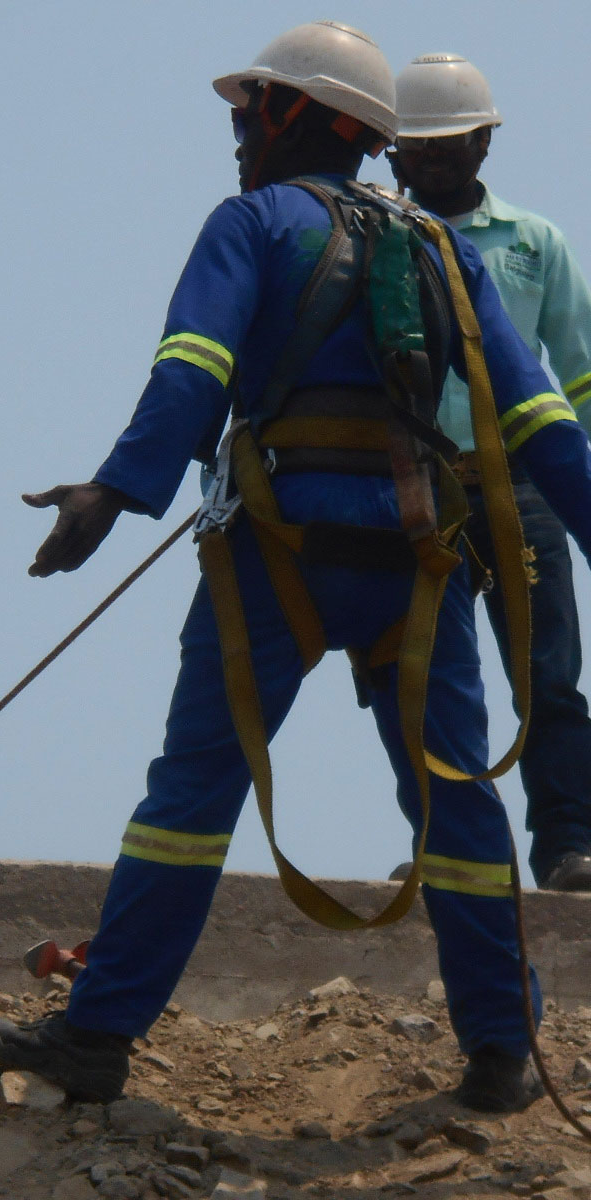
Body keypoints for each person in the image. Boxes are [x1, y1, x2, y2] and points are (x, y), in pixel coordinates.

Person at [0, 20, 591, 1114]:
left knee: (191, 796)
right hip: (415, 560)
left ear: (301, 115)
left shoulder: (252, 225)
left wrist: (114, 491)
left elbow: (193, 366)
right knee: (454, 808)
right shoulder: (444, 252)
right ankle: (501, 1052)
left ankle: (100, 1034)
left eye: (249, 109)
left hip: (275, 555)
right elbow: (541, 419)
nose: (238, 129)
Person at [386, 55, 591, 893]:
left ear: (483, 143)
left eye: (448, 144)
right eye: (415, 148)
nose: (431, 160)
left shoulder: (534, 244)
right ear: (392, 156)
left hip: (525, 492)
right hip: (415, 494)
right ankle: (452, 850)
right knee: (429, 681)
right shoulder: (376, 240)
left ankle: (570, 847)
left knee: (547, 674)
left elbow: (578, 375)